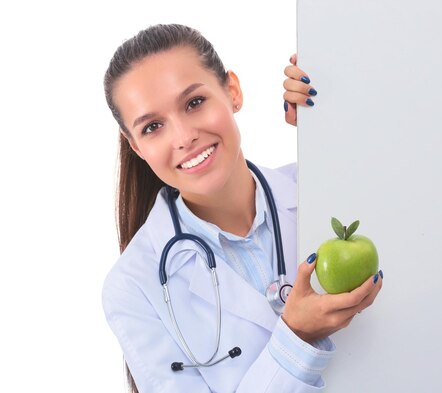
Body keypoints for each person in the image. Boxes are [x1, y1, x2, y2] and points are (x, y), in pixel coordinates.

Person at [102, 24, 383, 393]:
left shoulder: (322, 190)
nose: (184, 137)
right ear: (136, 147)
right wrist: (294, 337)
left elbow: (420, 192)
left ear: (232, 91)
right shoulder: (133, 286)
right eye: (153, 127)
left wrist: (332, 123)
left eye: (194, 103)